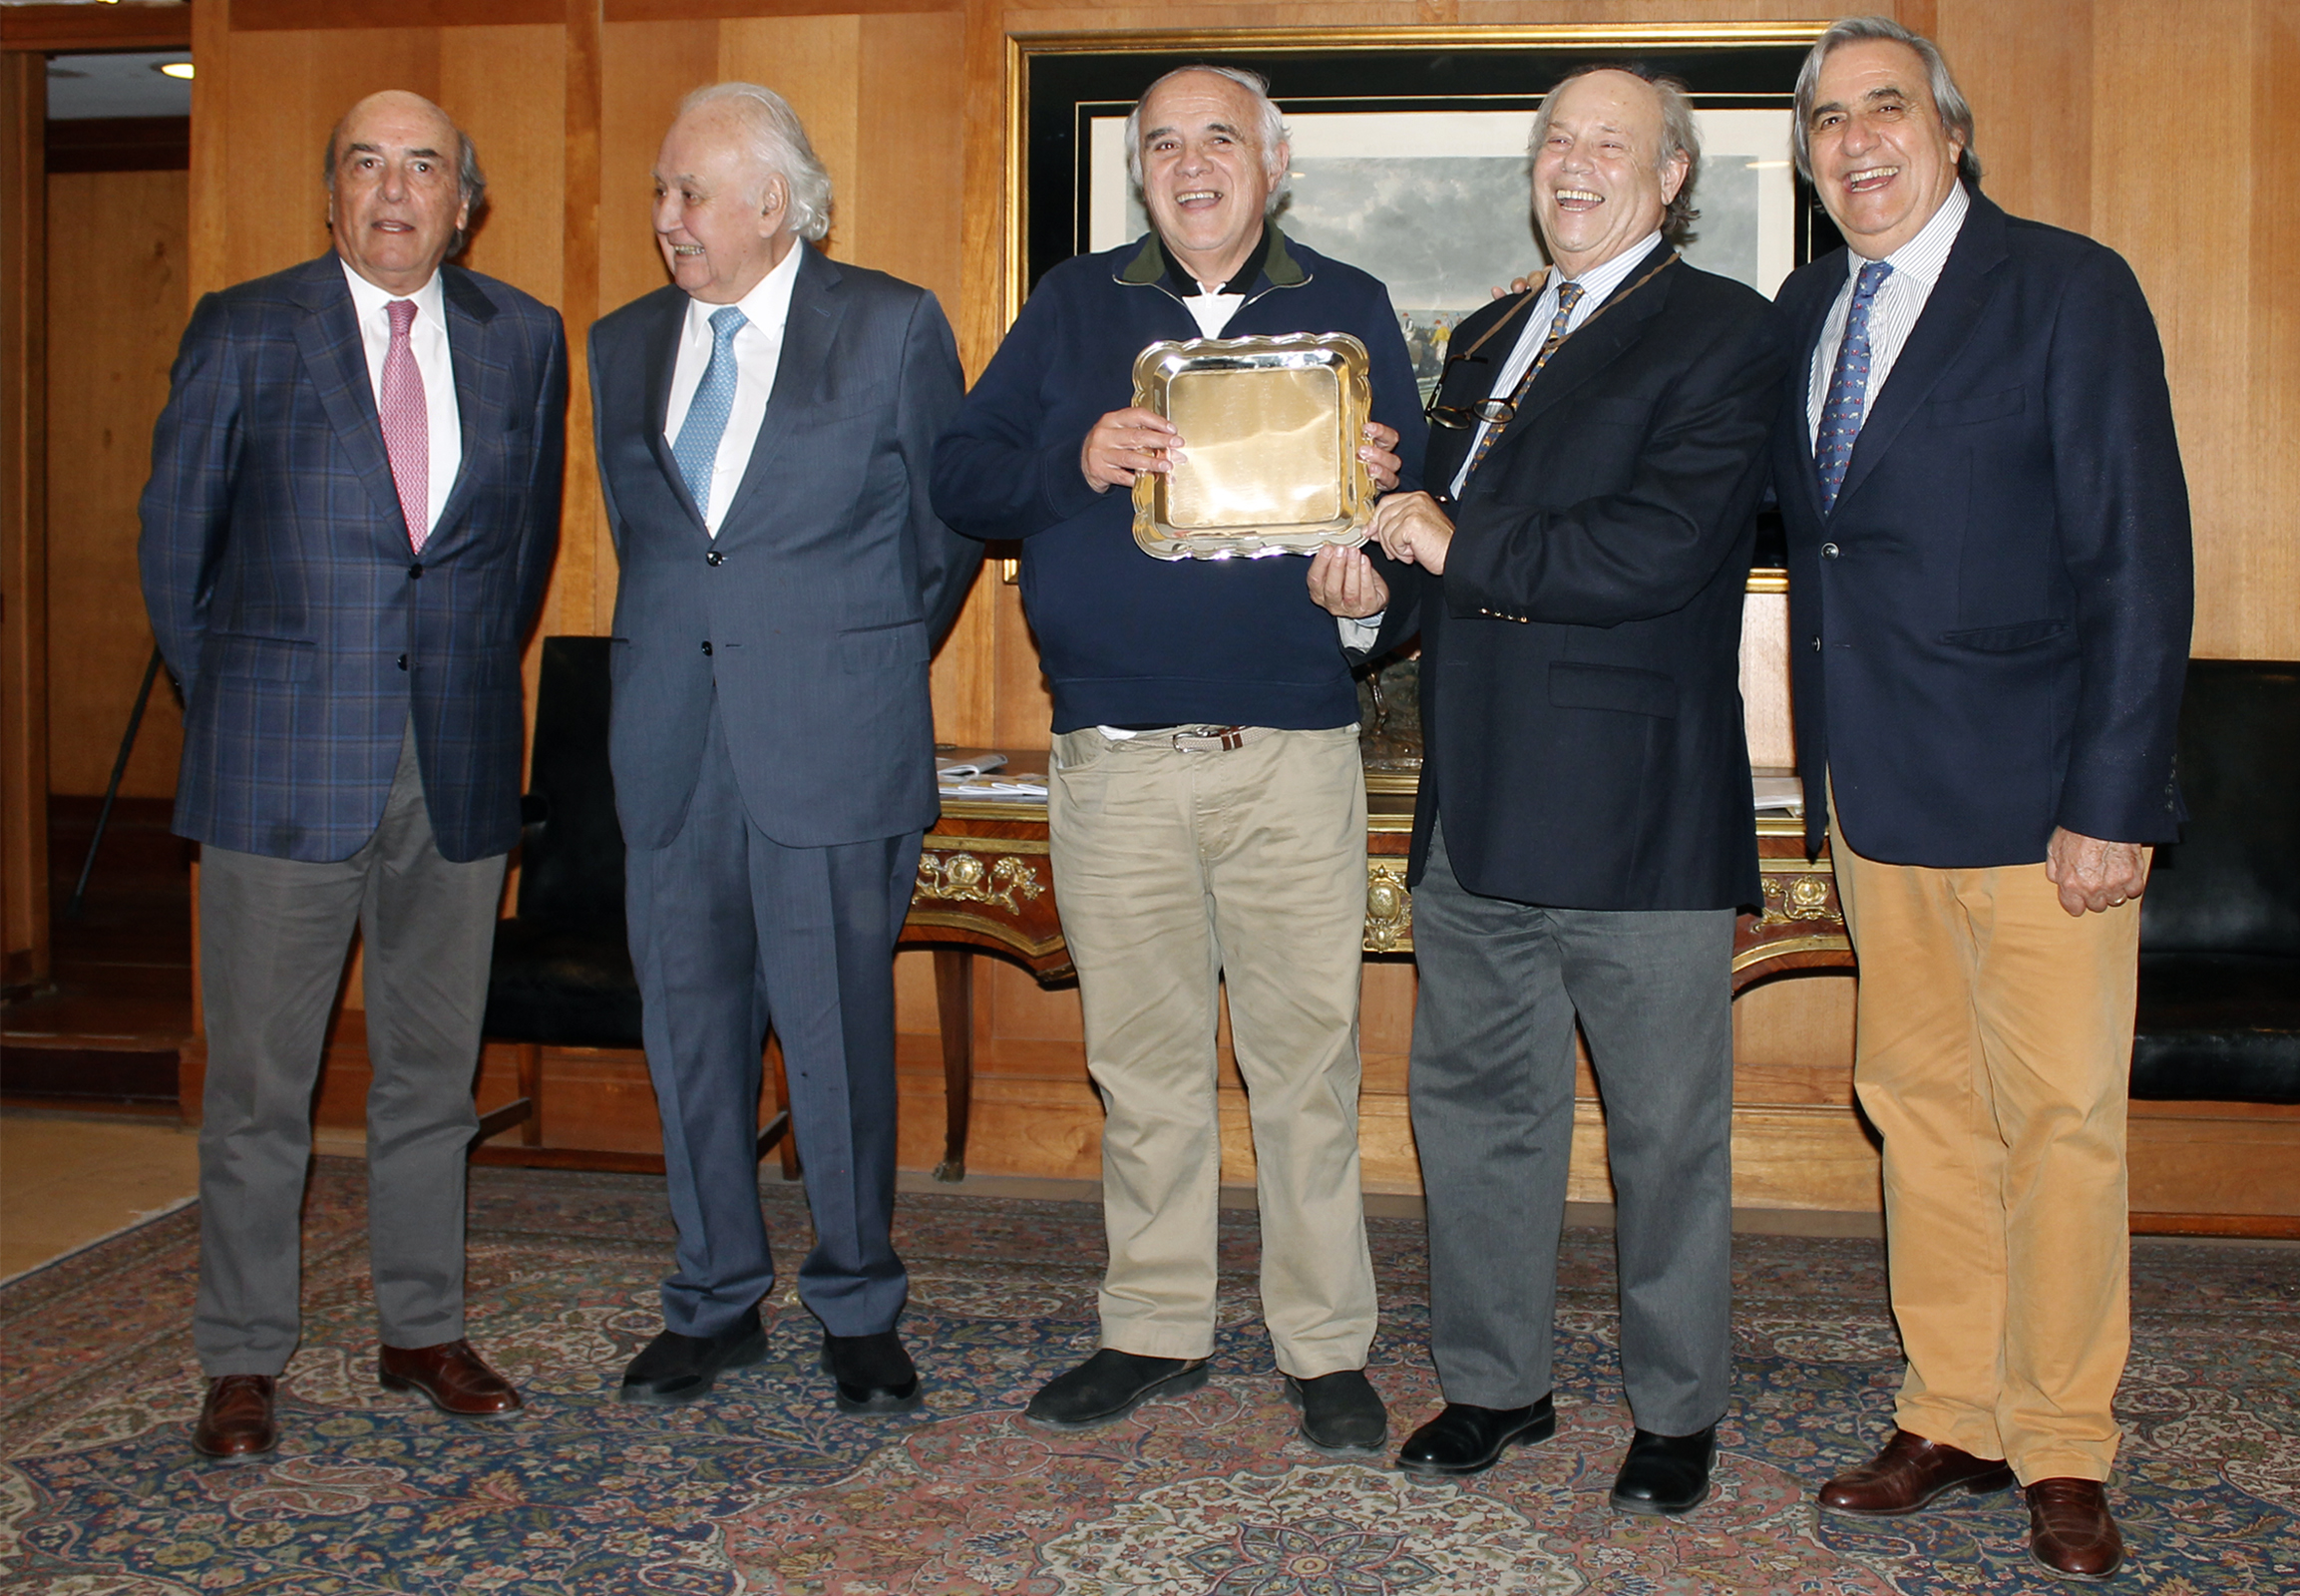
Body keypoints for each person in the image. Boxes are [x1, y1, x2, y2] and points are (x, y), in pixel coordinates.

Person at [932, 64, 1423, 1454]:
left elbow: (1413, 519)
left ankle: (1325, 1346)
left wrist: (1370, 599)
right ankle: (1152, 1327)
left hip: (1291, 752)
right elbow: (959, 477)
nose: (1191, 163)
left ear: (1274, 165)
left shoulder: (1351, 308)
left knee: (1305, 1067)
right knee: (1140, 1064)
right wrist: (1075, 455)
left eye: (1219, 138)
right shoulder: (1074, 305)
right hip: (1115, 758)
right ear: (1138, 172)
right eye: (1162, 144)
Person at [1314, 64, 1781, 1513]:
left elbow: (1661, 547)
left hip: (1638, 811)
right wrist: (1369, 594)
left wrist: (1447, 544)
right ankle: (1493, 1387)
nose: (1574, 164)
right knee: (1473, 1114)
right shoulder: (1489, 333)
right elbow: (1436, 552)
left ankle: (1678, 1411)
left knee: (1664, 1136)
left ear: (1672, 176)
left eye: (1609, 144)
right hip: (1476, 809)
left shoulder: (1726, 331)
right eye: (1556, 142)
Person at [1770, 18, 2193, 1579]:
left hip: (2041, 802)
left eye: (1885, 107)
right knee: (1921, 1110)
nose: (1856, 140)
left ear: (1951, 133)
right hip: (1877, 795)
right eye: (1827, 121)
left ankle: (2065, 1441)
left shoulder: (2068, 289)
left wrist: (2116, 797)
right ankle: (1950, 1409)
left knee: (2062, 1125)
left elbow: (2139, 559)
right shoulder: (1808, 308)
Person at [141, 90, 568, 1459]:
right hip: (277, 765)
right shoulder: (244, 327)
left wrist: (453, 683)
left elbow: (517, 557)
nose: (394, 189)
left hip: (456, 759)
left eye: (423, 166)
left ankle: (421, 1329)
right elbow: (176, 552)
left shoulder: (525, 339)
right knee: (260, 1087)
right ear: (329, 193)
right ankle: (242, 1356)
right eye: (366, 164)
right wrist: (245, 707)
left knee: (433, 1075)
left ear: (464, 204)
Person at [589, 82, 980, 1412]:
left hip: (828, 740)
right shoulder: (622, 343)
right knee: (689, 1039)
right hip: (669, 745)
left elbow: (943, 535)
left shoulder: (889, 325)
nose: (667, 216)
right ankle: (713, 1300)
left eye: (689, 192)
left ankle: (858, 1302)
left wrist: (839, 658)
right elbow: (654, 545)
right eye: (660, 191)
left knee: (835, 1038)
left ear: (773, 201)